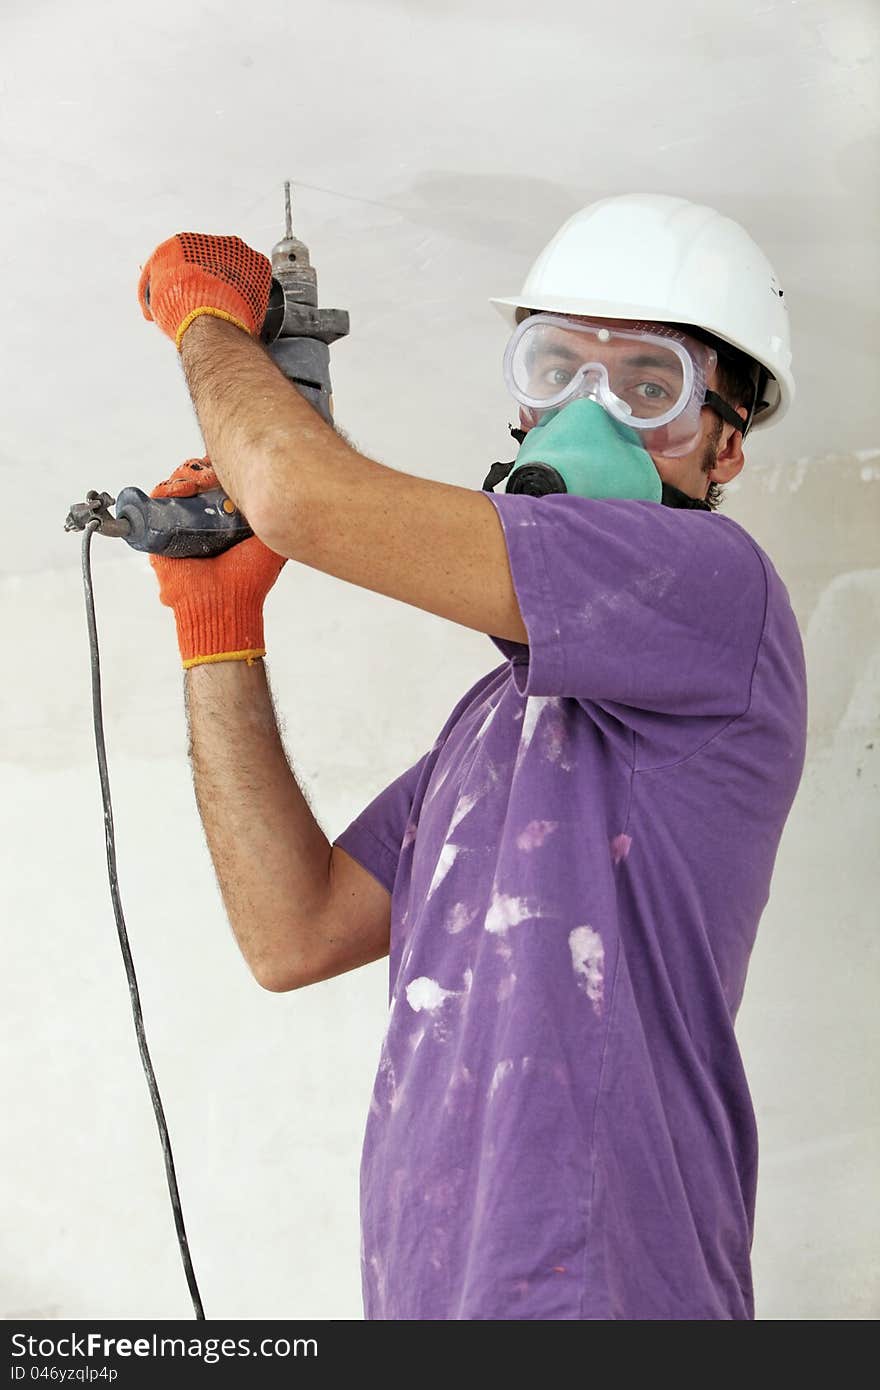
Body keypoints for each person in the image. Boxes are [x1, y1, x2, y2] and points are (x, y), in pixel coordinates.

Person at [139, 194, 808, 1320]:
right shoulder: (497, 717)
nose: (584, 414)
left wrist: (205, 318)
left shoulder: (718, 594)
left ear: (724, 443)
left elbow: (300, 494)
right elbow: (291, 932)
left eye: (648, 390)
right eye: (552, 367)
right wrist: (219, 636)